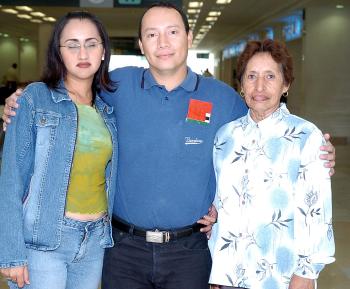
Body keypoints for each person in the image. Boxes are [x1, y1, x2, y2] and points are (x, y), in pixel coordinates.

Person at [1, 2, 336, 289]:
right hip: (120, 249)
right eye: (152, 34)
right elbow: (71, 94)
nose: (163, 42)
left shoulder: (222, 98)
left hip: (189, 252)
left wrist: (313, 149)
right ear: (141, 44)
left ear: (189, 38)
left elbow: (261, 123)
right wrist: (22, 101)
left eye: (172, 32)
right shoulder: (116, 86)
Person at [0, 11, 118, 289]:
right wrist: (10, 253)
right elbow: (11, 179)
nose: (82, 52)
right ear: (59, 53)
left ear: (103, 51)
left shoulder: (107, 111)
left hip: (94, 240)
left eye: (91, 43)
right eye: (72, 44)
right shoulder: (35, 98)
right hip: (45, 240)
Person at [209, 39, 335, 289]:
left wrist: (306, 272)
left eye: (270, 76)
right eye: (251, 76)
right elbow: (218, 198)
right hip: (228, 274)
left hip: (281, 275)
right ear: (241, 84)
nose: (259, 86)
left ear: (285, 84)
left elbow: (316, 212)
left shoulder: (305, 136)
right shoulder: (225, 136)